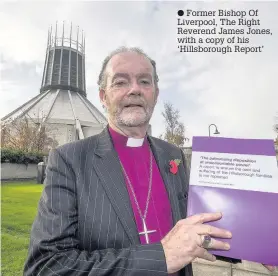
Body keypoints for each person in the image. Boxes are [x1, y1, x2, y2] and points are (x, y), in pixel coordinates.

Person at [24, 47, 276, 275]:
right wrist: (159, 257)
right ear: (103, 96)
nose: (134, 89)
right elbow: (46, 266)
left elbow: (198, 227)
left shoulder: (173, 155)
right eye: (120, 81)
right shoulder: (69, 160)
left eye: (144, 81)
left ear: (155, 94)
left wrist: (255, 244)